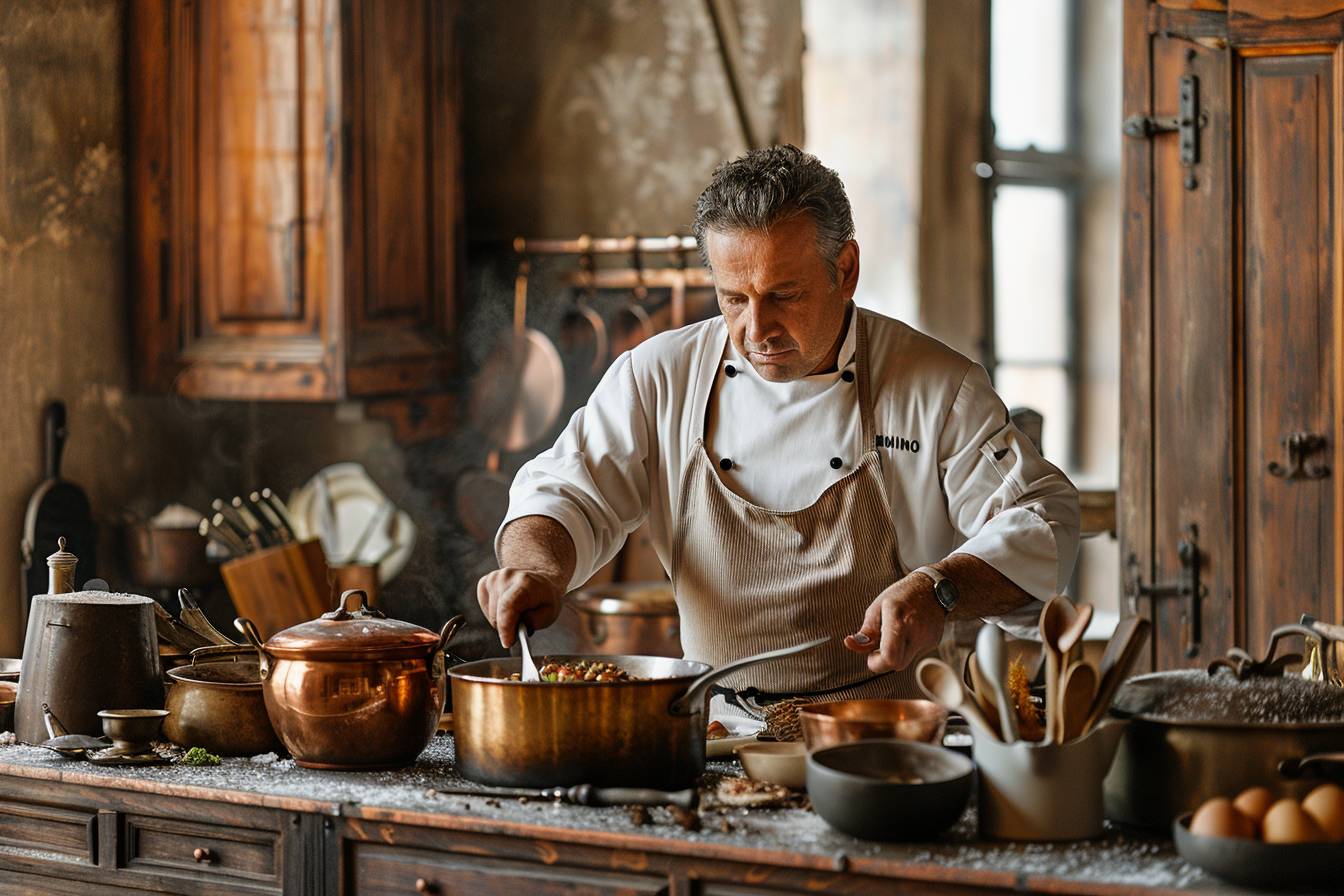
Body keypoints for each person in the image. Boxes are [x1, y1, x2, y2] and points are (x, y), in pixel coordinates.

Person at [477, 145, 1079, 720]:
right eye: (731, 298)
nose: (755, 328)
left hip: (880, 734)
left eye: (783, 295)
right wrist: (537, 569)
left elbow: (1041, 521)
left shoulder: (936, 387)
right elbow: (563, 493)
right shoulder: (659, 375)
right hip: (711, 731)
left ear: (846, 270)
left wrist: (939, 589)